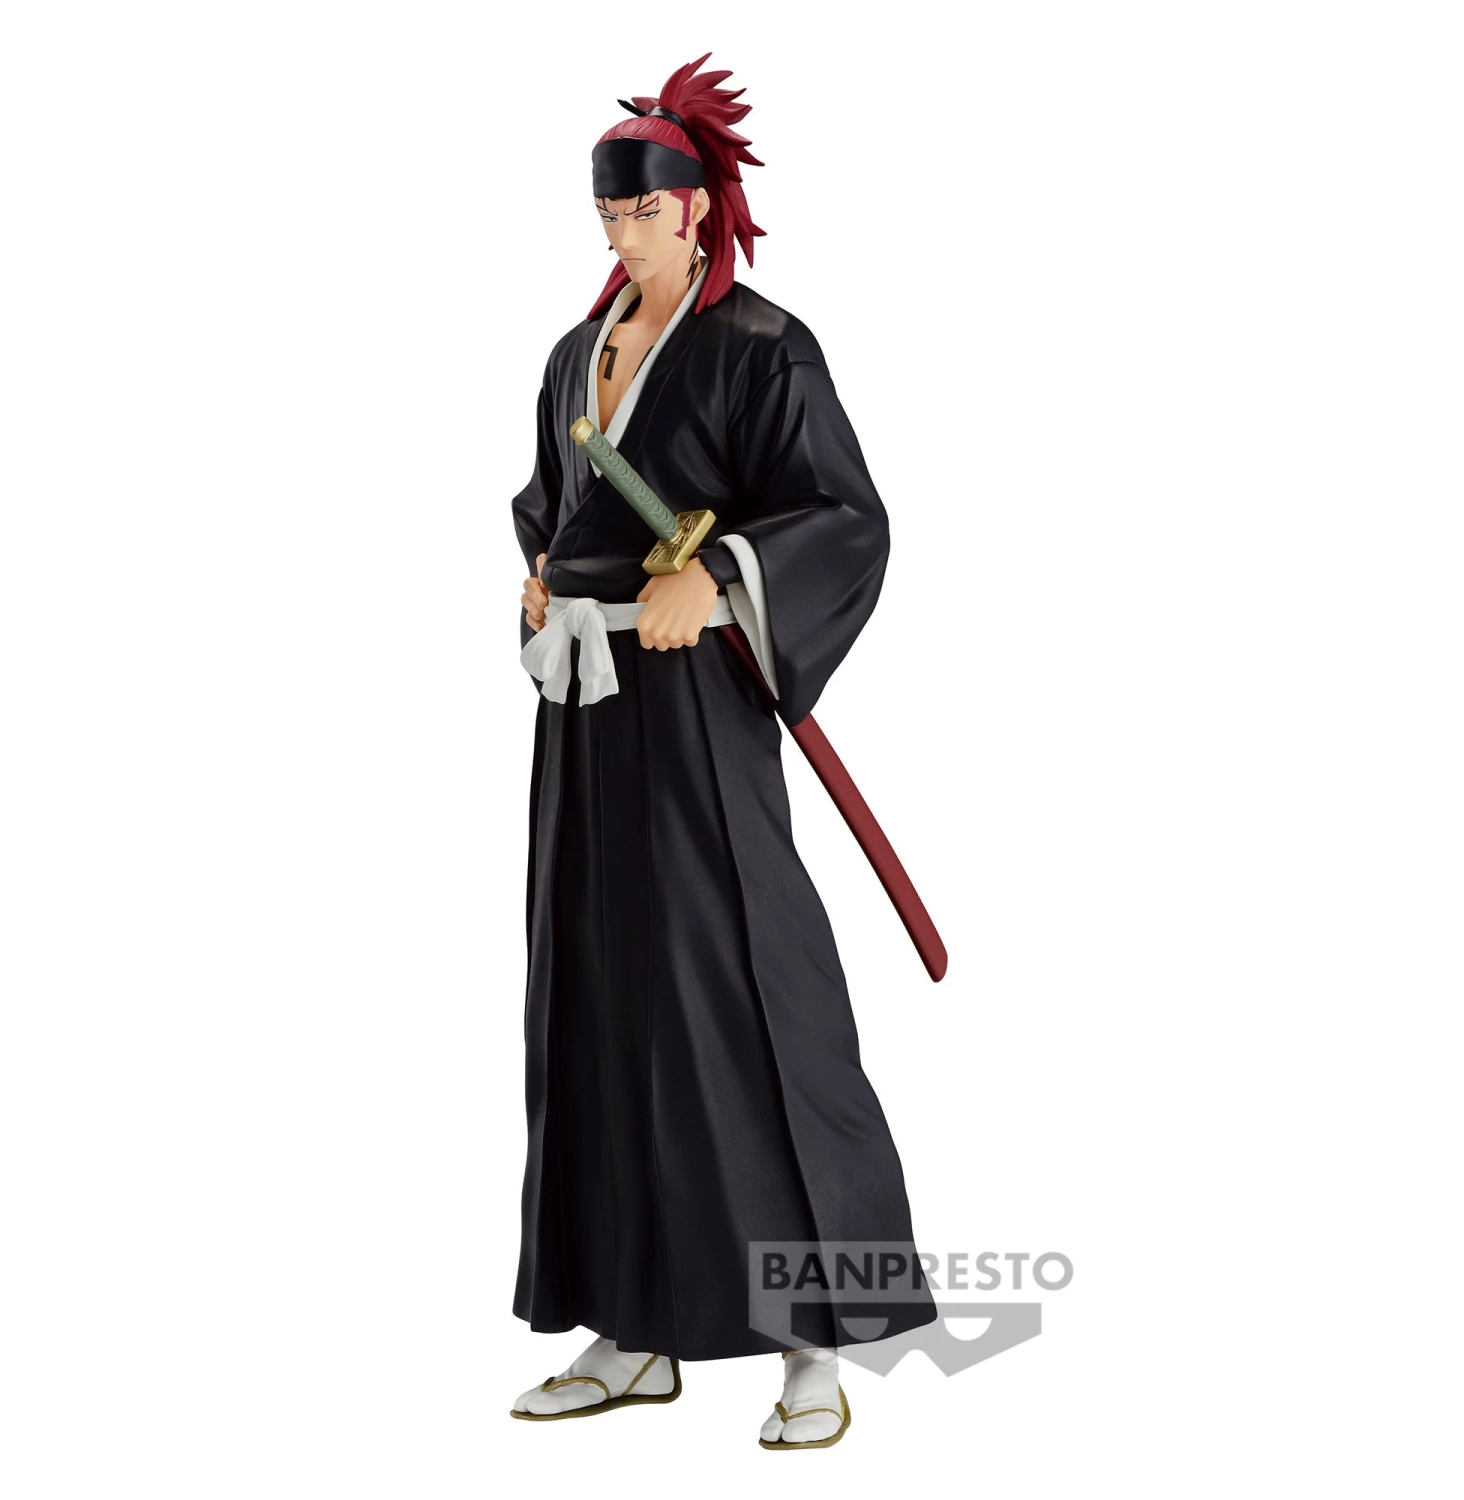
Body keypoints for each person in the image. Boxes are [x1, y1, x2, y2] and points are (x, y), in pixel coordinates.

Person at [507, 54, 935, 1450]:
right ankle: (633, 1324)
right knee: (594, 995)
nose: (621, 232)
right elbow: (551, 505)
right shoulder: (579, 353)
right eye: (606, 212)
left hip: (696, 699)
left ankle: (815, 1337)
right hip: (584, 704)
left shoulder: (762, 346)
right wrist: (539, 579)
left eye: (642, 210)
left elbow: (843, 515)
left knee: (740, 986)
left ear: (695, 207)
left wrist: (727, 571)